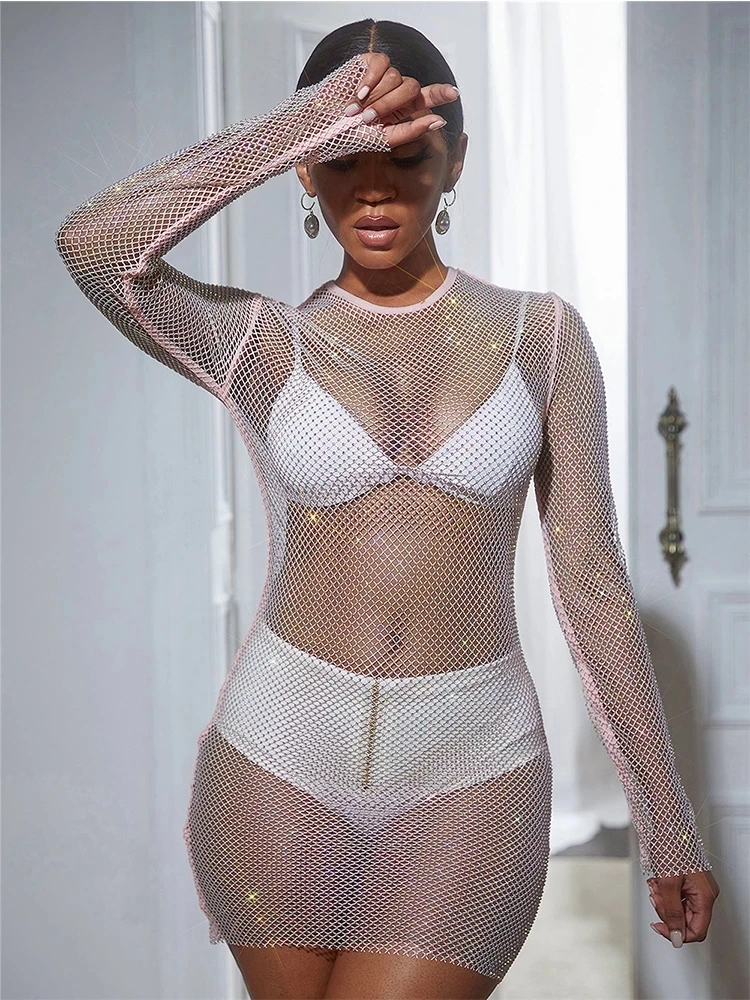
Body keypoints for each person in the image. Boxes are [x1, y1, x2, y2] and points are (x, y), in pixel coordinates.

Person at [55, 17, 719, 1000]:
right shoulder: (262, 344)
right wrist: (307, 119)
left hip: (473, 771)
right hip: (277, 759)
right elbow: (94, 246)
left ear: (456, 162)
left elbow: (591, 582)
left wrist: (667, 819)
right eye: (343, 162)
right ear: (306, 172)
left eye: (407, 159)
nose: (375, 191)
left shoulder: (542, 338)